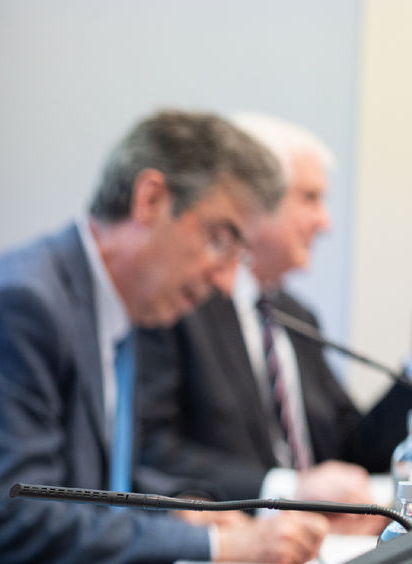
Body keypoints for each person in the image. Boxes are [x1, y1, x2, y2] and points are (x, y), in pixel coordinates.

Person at [0, 110, 330, 564]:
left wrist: (181, 509)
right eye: (221, 239)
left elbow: (95, 479)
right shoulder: (20, 303)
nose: (228, 280)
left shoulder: (122, 308)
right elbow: (15, 518)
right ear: (151, 201)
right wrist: (220, 543)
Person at [135, 113, 412, 521]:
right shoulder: (178, 303)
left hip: (318, 548)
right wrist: (288, 490)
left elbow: (352, 449)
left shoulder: (293, 315)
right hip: (222, 553)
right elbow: (152, 452)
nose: (326, 223)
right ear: (254, 202)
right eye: (310, 198)